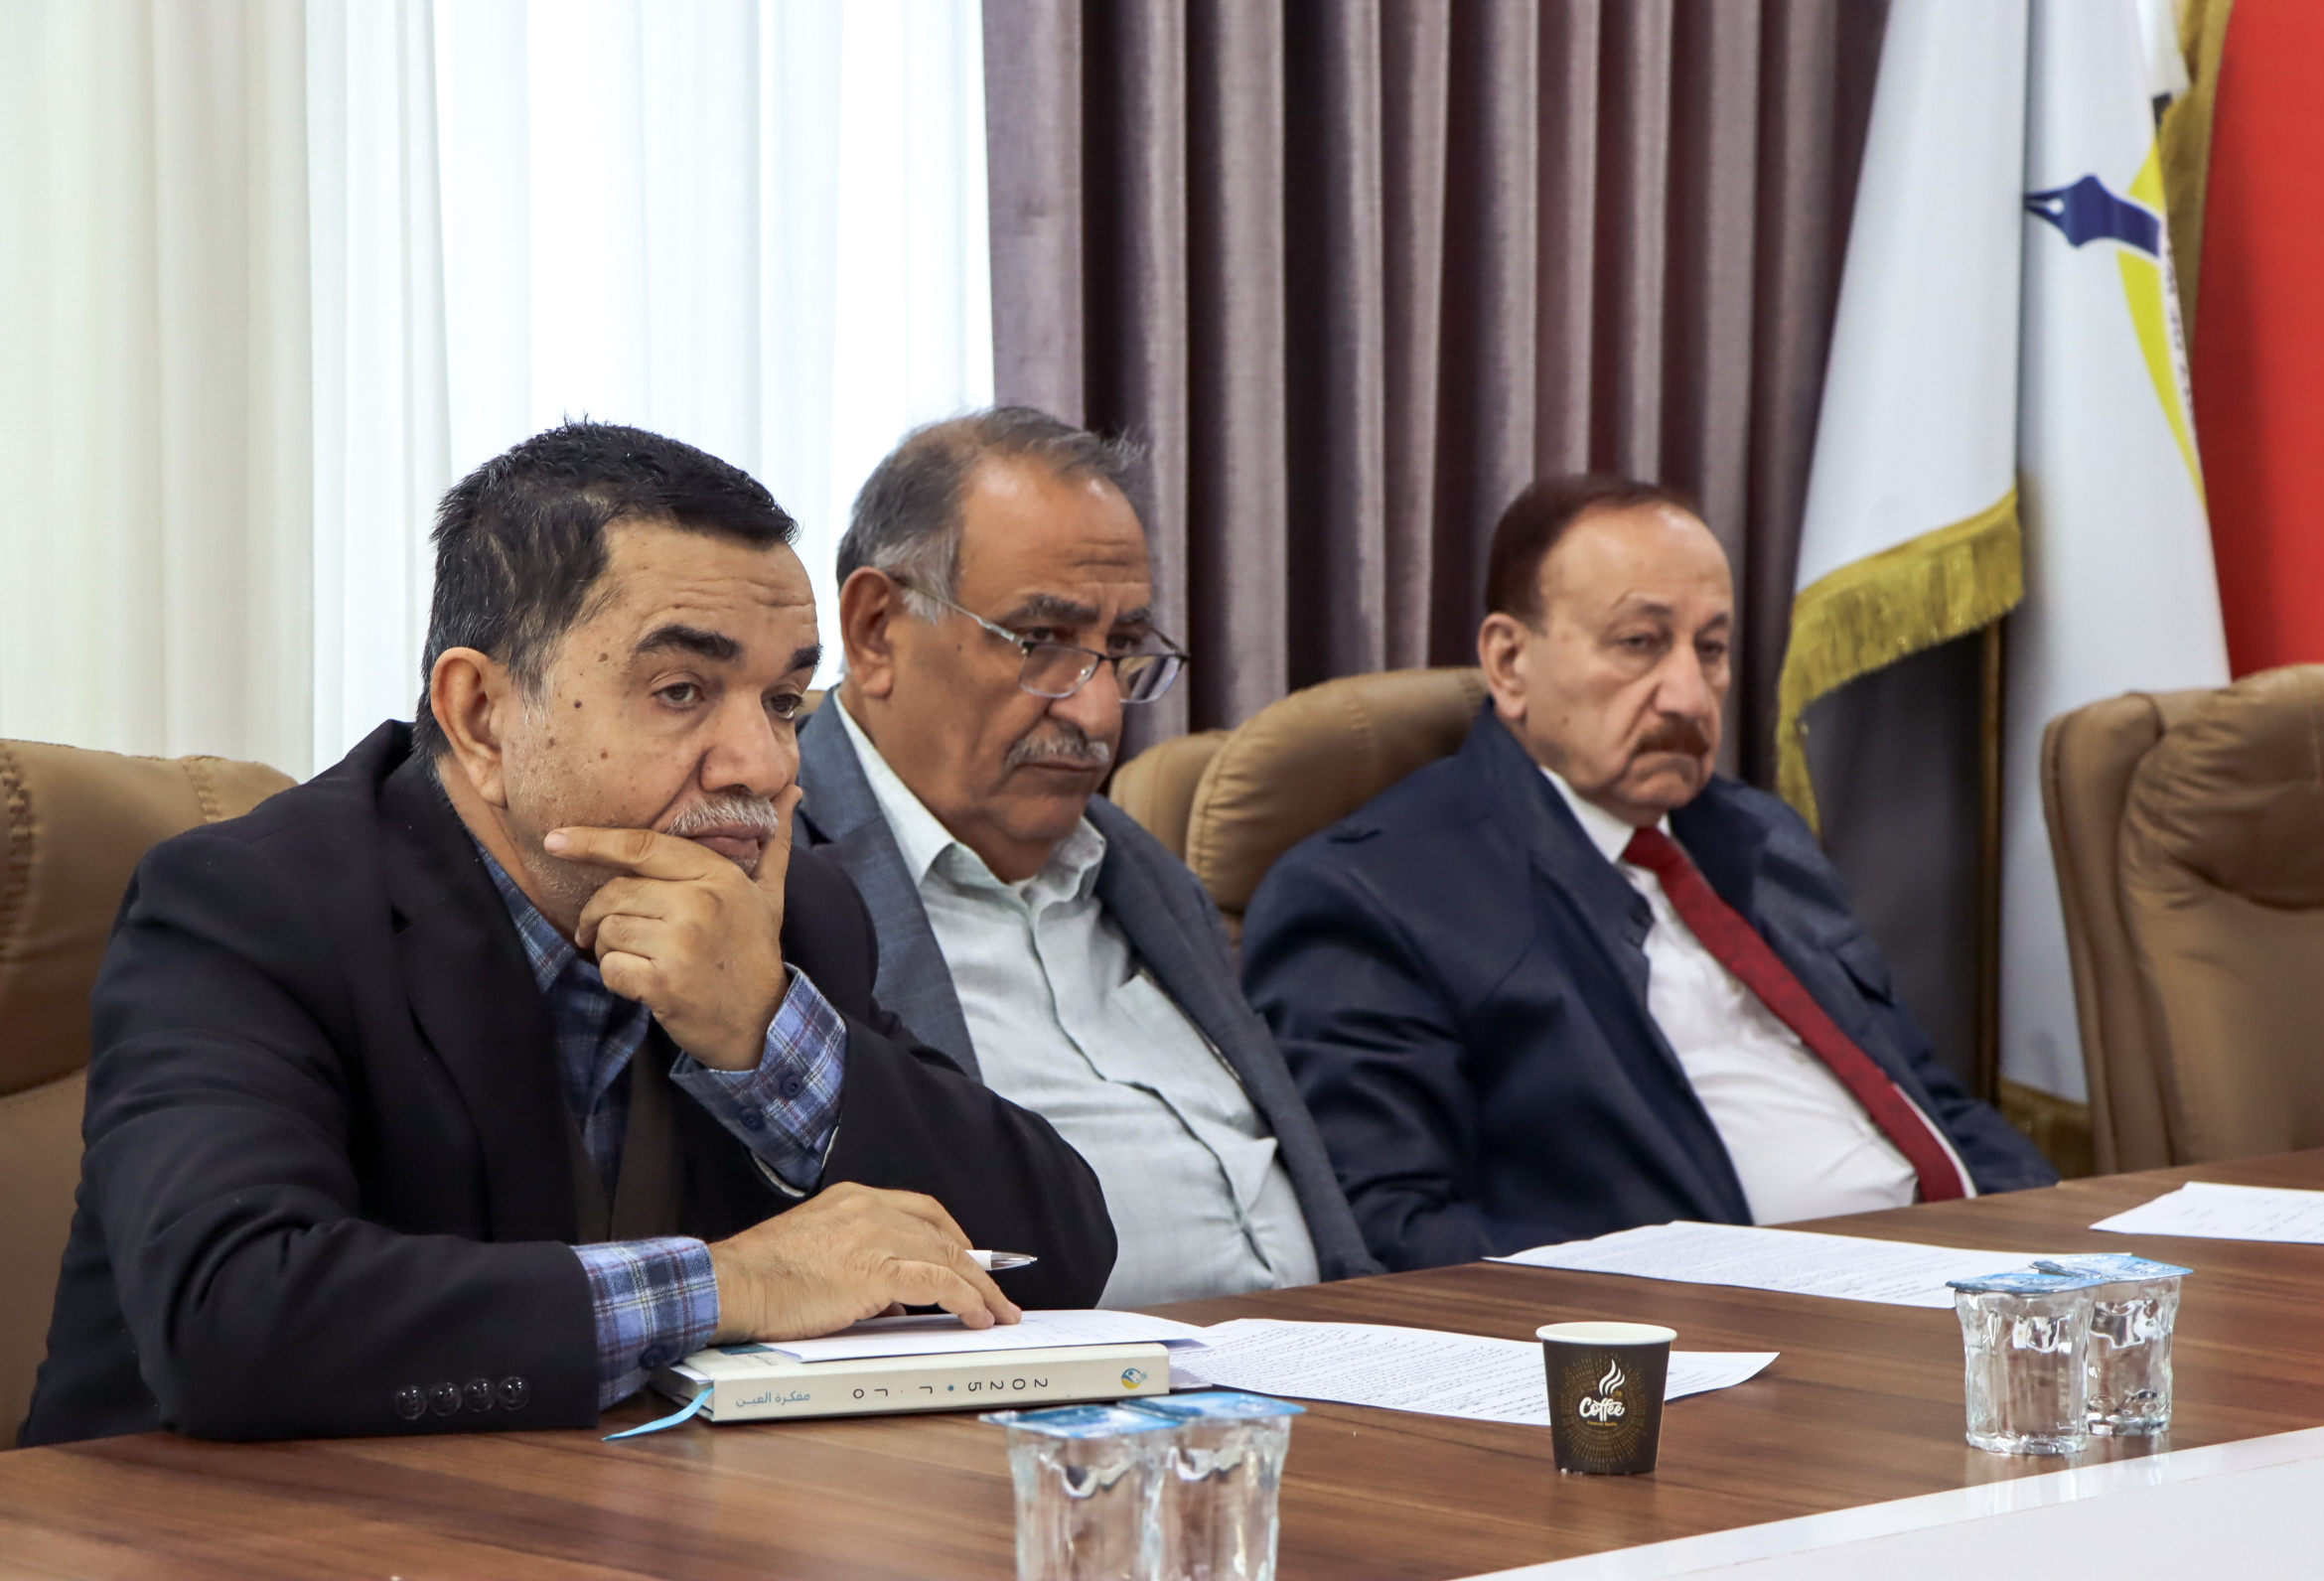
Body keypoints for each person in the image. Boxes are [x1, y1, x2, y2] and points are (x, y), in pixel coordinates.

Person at [22, 423, 1115, 1446]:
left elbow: (1056, 1257)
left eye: (783, 701)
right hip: (207, 1532)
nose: (766, 765)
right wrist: (737, 1282)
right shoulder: (248, 903)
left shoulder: (789, 913)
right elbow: (234, 1315)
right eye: (682, 689)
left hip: (600, 1519)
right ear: (481, 716)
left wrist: (765, 1032)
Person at [1240, 474, 2056, 1272]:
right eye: (1639, 643)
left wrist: (2058, 1241)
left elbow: (1923, 1096)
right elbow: (1396, 1235)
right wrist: (1704, 1301)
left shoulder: (1757, 834)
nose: (1689, 698)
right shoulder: (1375, 897)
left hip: (1961, 1294)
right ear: (1510, 662)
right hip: (1725, 1330)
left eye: (1711, 649)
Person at [791, 407, 1379, 1307]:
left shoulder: (1143, 872)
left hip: (1321, 1352)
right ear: (876, 630)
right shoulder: (782, 877)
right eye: (1043, 642)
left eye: (1125, 650)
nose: (1099, 714)